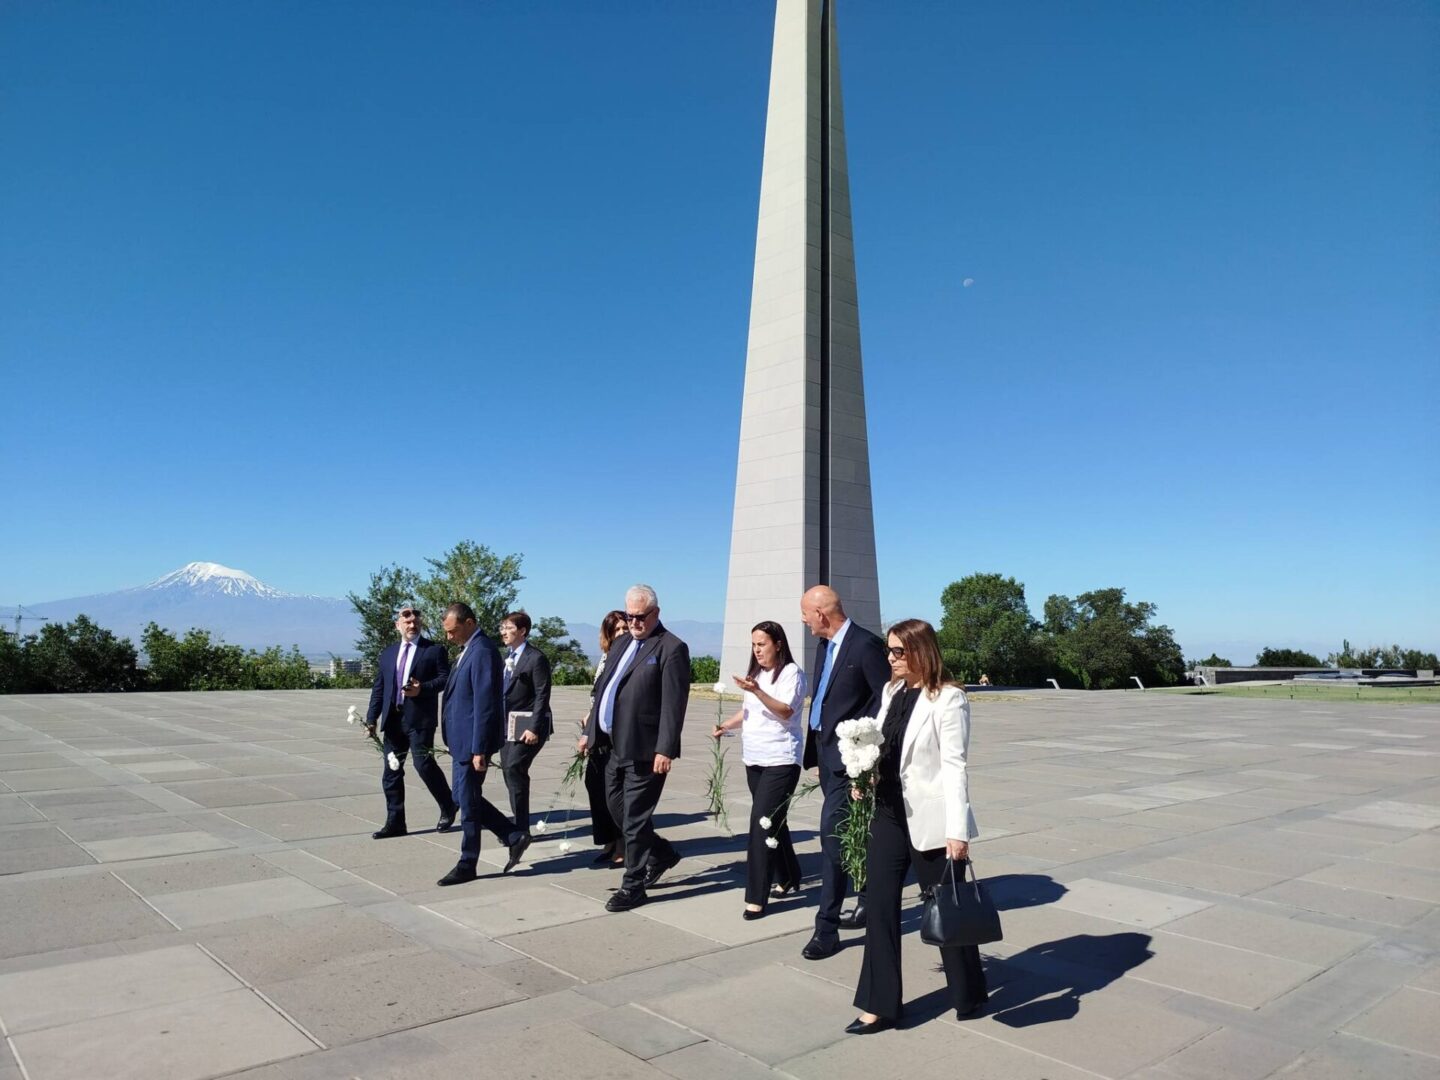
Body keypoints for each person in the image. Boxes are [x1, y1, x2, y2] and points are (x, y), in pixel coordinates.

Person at [848, 619, 988, 1034]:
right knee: (879, 908)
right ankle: (879, 1004)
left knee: (946, 906)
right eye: (888, 651)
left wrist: (957, 830)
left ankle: (969, 991)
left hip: (931, 819)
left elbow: (954, 766)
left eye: (897, 652)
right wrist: (865, 777)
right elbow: (884, 747)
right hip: (887, 813)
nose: (890, 659)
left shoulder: (949, 699)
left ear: (920, 651)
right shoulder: (892, 692)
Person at [580, 584, 689, 911]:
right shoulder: (622, 642)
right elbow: (603, 690)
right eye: (630, 616)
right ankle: (663, 853)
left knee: (635, 819)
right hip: (612, 746)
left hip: (645, 749)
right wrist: (589, 730)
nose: (635, 622)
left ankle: (633, 886)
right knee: (618, 811)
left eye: (641, 616)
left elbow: (674, 704)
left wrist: (665, 749)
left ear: (656, 613)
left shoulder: (671, 648)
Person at [799, 585, 890, 960]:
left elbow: (885, 700)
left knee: (832, 839)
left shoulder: (866, 646)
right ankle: (868, 900)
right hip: (828, 758)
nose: (804, 622)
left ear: (821, 614)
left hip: (852, 762)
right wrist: (818, 751)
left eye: (806, 614)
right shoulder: (825, 646)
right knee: (855, 834)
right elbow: (824, 697)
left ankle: (827, 928)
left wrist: (866, 758)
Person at [711, 621, 807, 919]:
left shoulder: (792, 673)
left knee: (760, 823)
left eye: (762, 644)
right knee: (773, 821)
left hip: (781, 759)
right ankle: (789, 874)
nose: (757, 650)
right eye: (754, 644)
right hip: (754, 759)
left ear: (778, 643)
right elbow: (750, 709)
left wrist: (758, 690)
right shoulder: (756, 674)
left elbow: (786, 710)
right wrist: (727, 724)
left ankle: (756, 895)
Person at [435, 602, 530, 886]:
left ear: (469, 622)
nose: (449, 637)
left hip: (472, 743)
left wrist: (480, 749)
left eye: (453, 631)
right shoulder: (468, 650)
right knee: (463, 798)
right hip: (461, 740)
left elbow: (485, 704)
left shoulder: (483, 652)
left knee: (467, 801)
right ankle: (513, 835)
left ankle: (468, 862)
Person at [364, 604, 456, 839]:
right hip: (393, 721)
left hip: (419, 720)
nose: (412, 624)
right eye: (406, 621)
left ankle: (448, 805)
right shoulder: (388, 653)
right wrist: (371, 718)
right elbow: (380, 687)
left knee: (423, 765)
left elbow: (445, 679)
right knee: (391, 772)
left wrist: (422, 689)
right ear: (398, 625)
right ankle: (395, 822)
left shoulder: (433, 650)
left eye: (416, 621)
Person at [579, 610, 628, 865]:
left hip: (618, 734)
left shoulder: (630, 658)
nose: (620, 634)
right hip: (597, 732)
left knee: (615, 791)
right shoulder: (605, 658)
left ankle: (622, 844)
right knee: (594, 784)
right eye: (615, 630)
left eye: (624, 628)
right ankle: (608, 840)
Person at [498, 610, 552, 839]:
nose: (504, 632)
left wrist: (533, 727)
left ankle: (520, 829)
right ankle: (518, 826)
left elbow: (542, 695)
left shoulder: (535, 658)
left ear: (523, 631)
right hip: (507, 725)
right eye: (503, 627)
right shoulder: (507, 657)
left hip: (528, 726)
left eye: (509, 628)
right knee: (510, 772)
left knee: (514, 768)